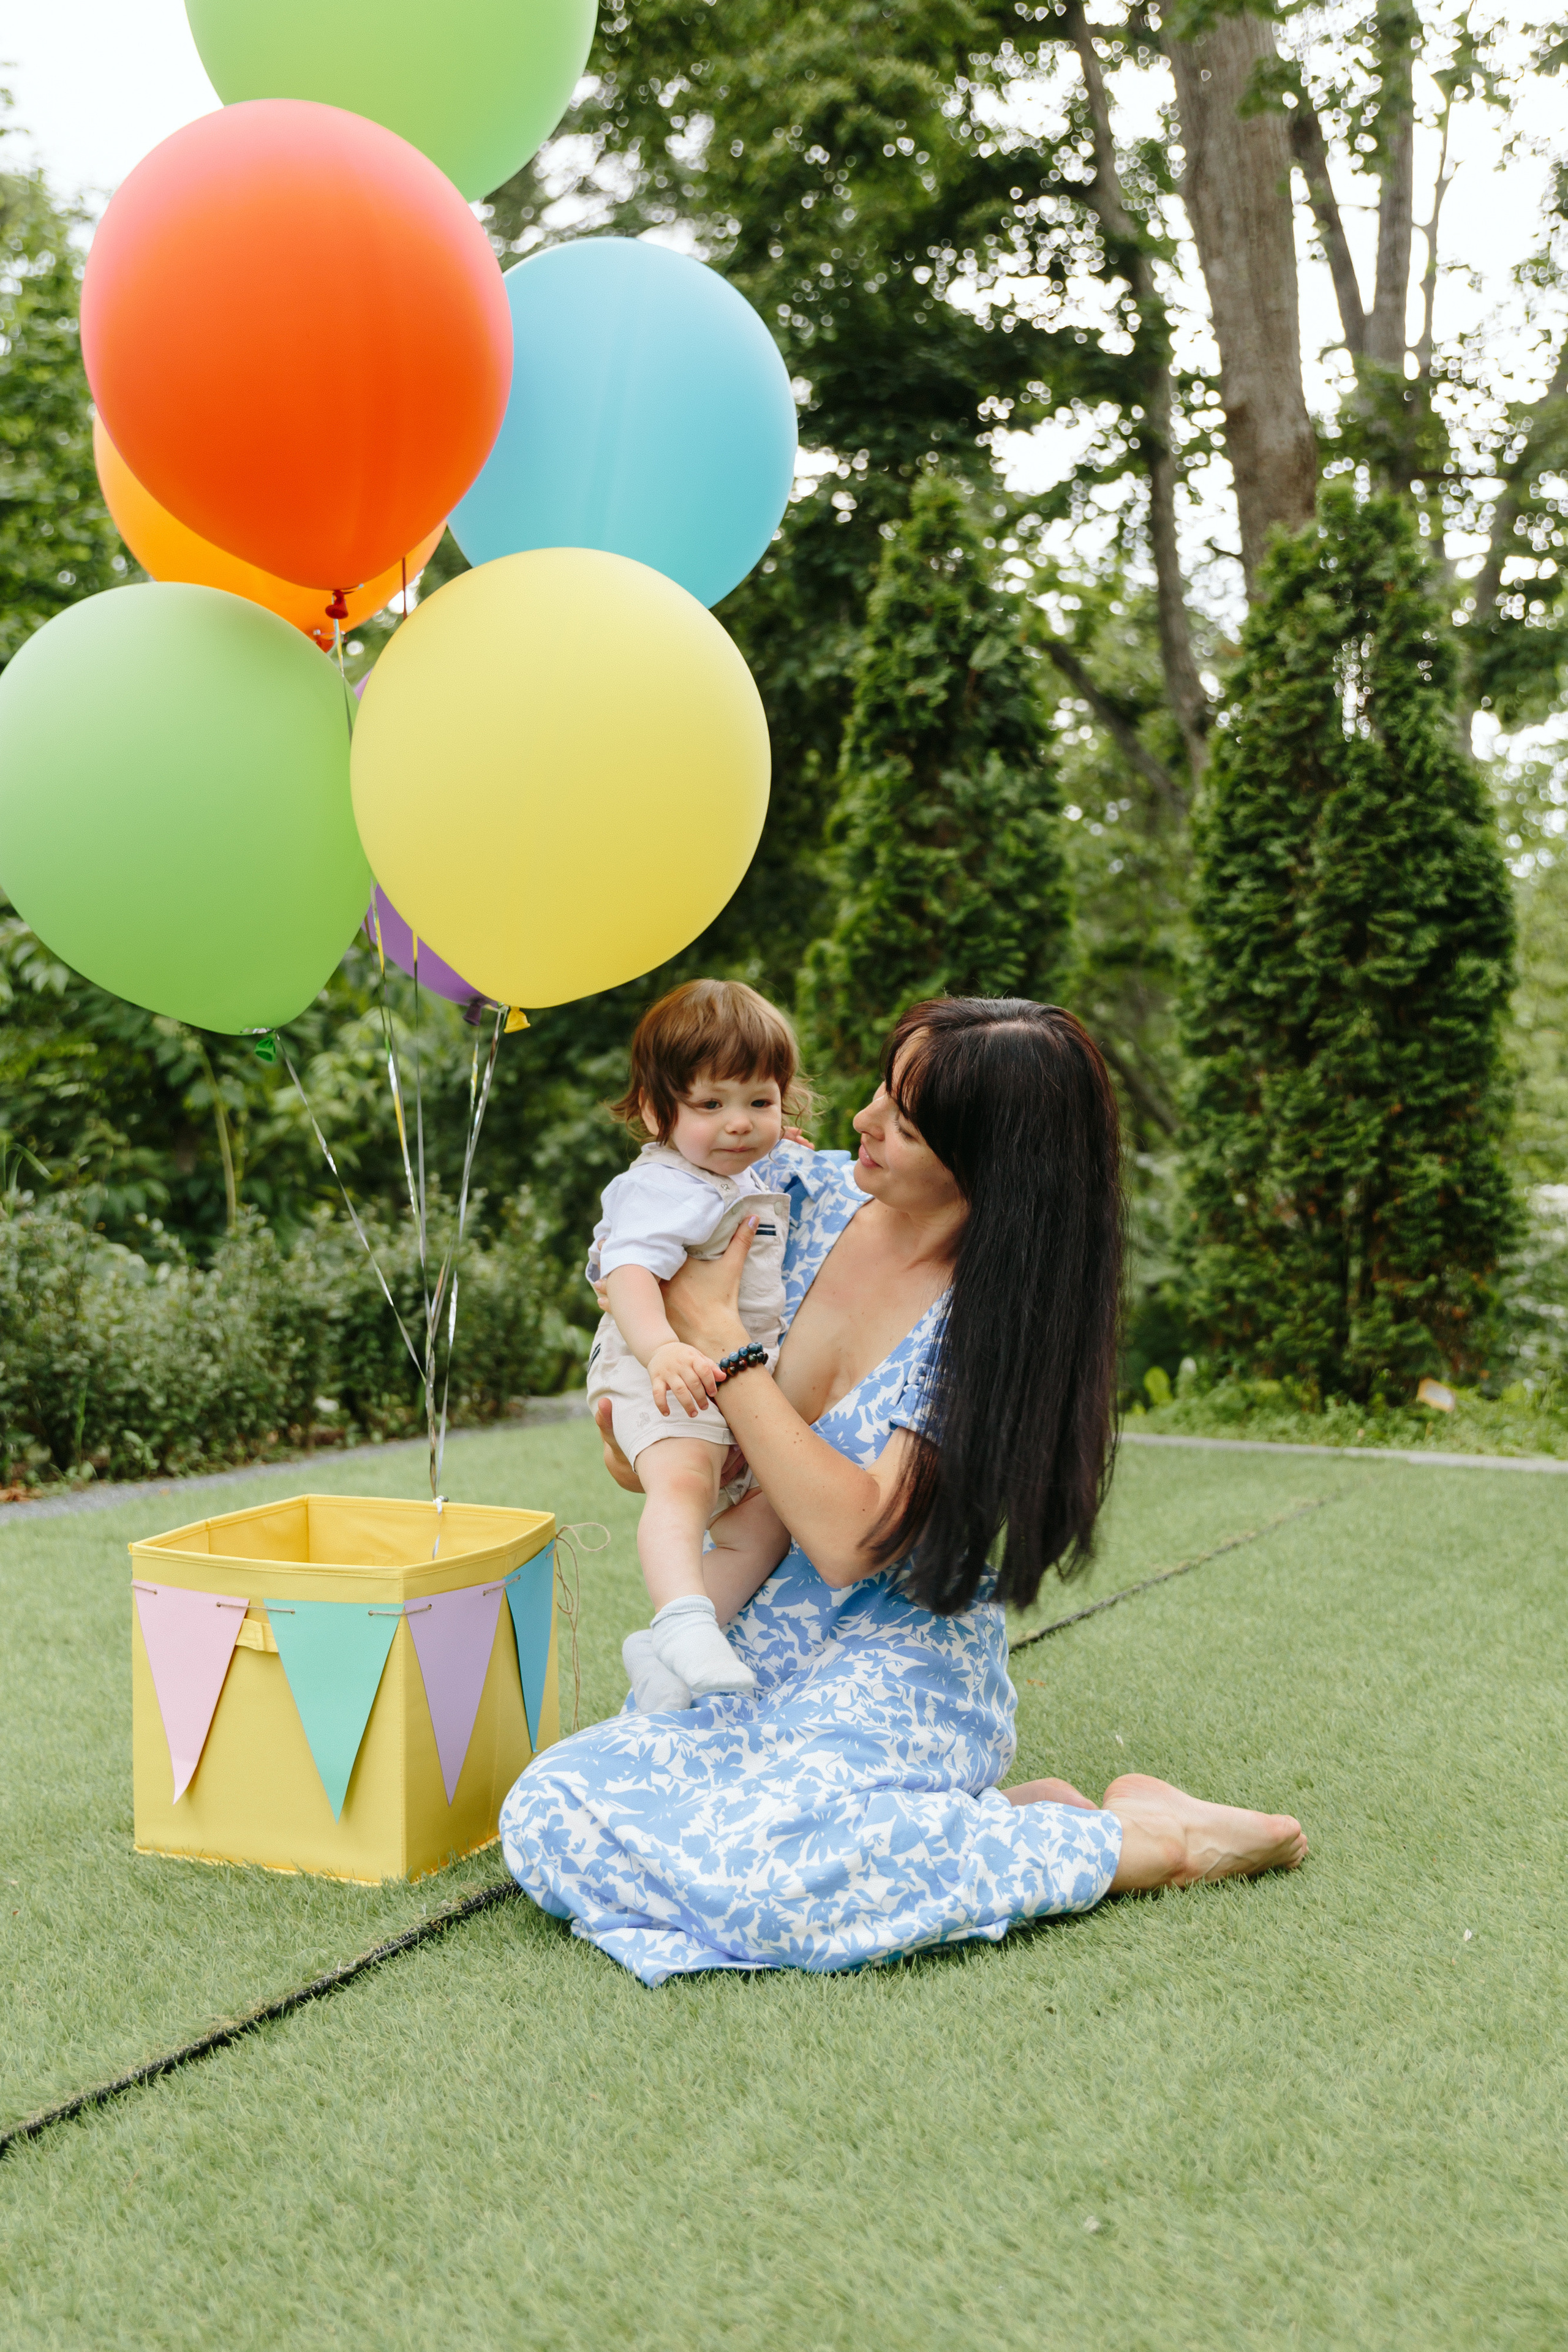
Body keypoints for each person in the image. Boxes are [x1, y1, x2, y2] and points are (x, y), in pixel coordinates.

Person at [500, 997, 1306, 1985]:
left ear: (988, 1167)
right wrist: (649, 1430)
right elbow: (639, 1278)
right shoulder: (798, 1196)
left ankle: (1144, 1843)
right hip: (754, 1631)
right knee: (547, 1810)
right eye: (883, 1090)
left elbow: (851, 1538)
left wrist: (728, 1353)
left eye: (905, 1121)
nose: (859, 1123)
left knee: (772, 1879)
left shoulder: (985, 1328)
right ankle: (1006, 1819)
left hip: (895, 1661)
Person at [586, 979, 803, 1706]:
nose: (738, 1124)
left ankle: (664, 1644)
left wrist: (775, 1144)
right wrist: (658, 1351)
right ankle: (682, 1619)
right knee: (682, 1483)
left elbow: (752, 1152)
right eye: (711, 1105)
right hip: (661, 1362)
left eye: (759, 1102)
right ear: (655, 1111)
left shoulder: (735, 1167)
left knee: (766, 1520)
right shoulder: (660, 1187)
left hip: (722, 1373)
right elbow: (626, 1272)